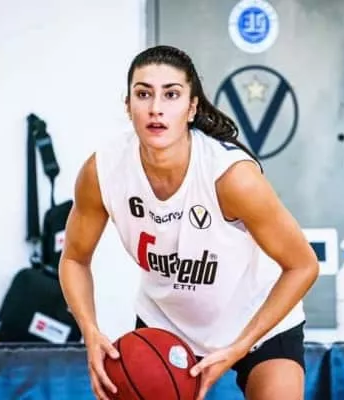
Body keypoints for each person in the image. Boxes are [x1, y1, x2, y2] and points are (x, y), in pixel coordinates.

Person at [58, 45, 319, 400]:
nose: (156, 108)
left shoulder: (232, 177)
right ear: (128, 105)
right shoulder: (102, 171)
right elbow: (74, 258)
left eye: (171, 94)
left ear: (192, 108)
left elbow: (303, 266)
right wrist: (90, 331)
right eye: (143, 94)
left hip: (254, 319)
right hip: (165, 325)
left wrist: (240, 346)